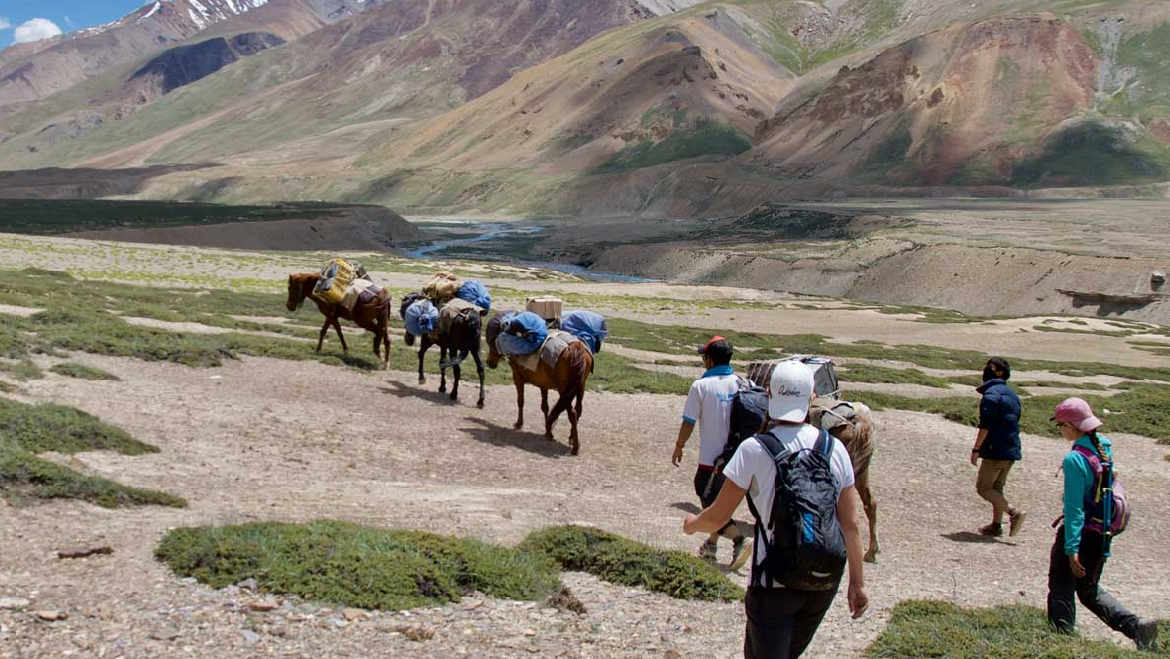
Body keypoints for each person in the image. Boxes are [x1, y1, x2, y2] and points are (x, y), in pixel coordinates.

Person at [683, 360, 869, 659]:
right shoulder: (834, 449)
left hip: (773, 582)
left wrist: (693, 524)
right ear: (811, 398)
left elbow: (718, 516)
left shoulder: (754, 449)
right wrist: (857, 585)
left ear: (768, 394)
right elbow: (850, 525)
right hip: (824, 581)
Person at [1047, 397, 1159, 650]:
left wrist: (1071, 548)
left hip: (1081, 533)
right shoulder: (1104, 447)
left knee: (1061, 585)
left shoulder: (1074, 460)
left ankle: (1060, 643)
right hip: (1103, 532)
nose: (1060, 430)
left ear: (1070, 426)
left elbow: (1074, 509)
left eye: (1060, 425)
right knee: (1088, 590)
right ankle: (1137, 627)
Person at [672, 335, 751, 568]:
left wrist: (679, 445)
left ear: (709, 360)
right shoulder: (742, 384)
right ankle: (710, 546)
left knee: (708, 500)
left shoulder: (701, 386)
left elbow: (689, 421)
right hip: (741, 457)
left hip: (711, 459)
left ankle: (739, 539)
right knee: (720, 501)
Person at [971, 356, 1026, 537]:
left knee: (984, 488)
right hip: (1011, 448)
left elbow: (985, 426)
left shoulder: (991, 395)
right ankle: (996, 525)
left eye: (990, 368)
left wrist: (976, 449)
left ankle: (1013, 513)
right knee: (997, 487)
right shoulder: (1013, 395)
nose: (985, 370)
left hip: (996, 450)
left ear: (999, 372)